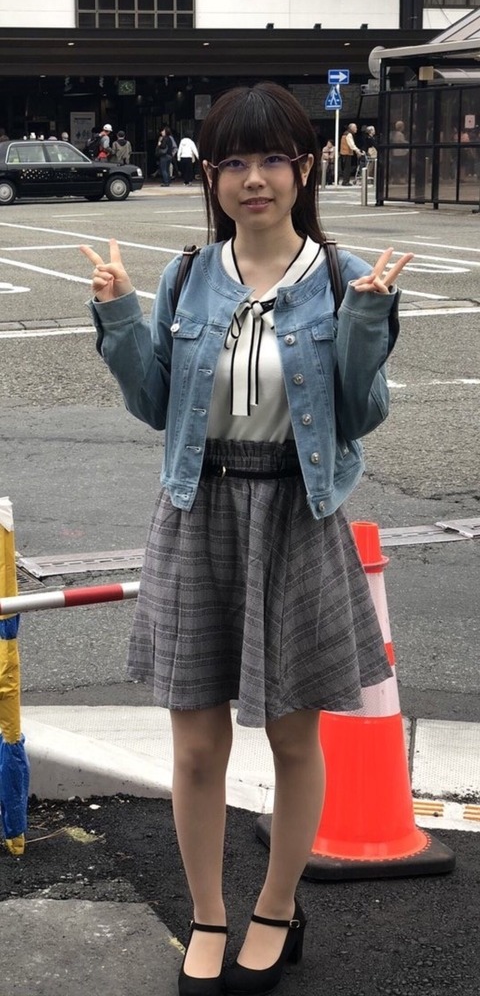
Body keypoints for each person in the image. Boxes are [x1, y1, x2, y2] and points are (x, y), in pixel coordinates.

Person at [80, 81, 413, 996]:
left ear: (304, 169)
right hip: (198, 513)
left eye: (273, 159)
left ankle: (275, 907)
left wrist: (367, 322)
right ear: (213, 176)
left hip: (298, 516)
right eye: (234, 161)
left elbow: (360, 413)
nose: (254, 179)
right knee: (196, 745)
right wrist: (120, 314)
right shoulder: (189, 276)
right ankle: (207, 915)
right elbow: (156, 403)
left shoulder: (342, 277)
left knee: (295, 740)